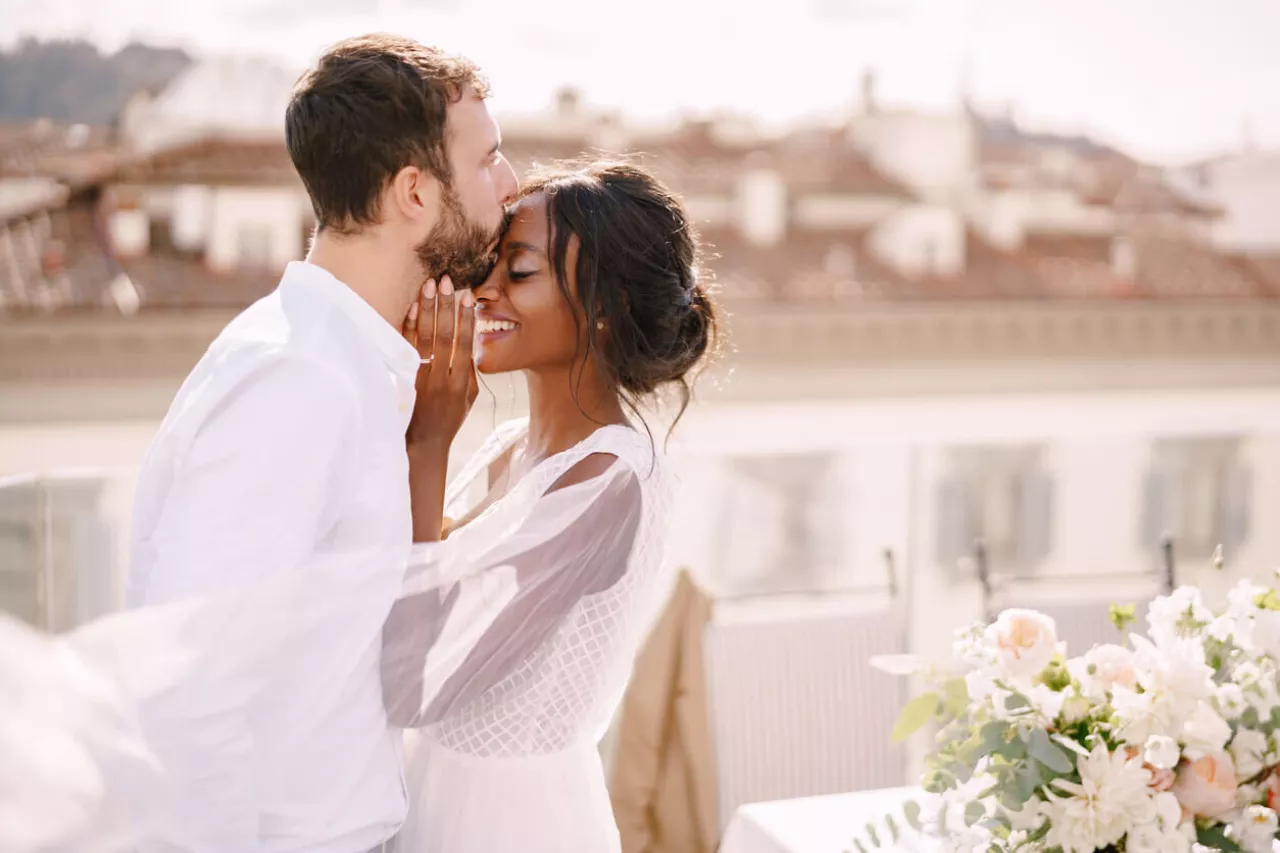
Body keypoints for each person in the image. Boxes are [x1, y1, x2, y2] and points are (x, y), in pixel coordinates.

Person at [123, 33, 517, 852]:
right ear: (415, 190)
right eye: (488, 161)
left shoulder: (348, 366)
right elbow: (191, 688)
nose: (509, 187)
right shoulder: (296, 380)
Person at [378, 161, 718, 853]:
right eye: (488, 267)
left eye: (519, 271)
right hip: (439, 796)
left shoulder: (608, 482)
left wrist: (428, 444)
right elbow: (412, 574)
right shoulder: (510, 451)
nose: (486, 292)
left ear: (605, 304)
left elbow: (414, 681)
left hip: (511, 823)